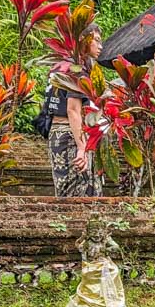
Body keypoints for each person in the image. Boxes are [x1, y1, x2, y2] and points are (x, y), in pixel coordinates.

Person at [47, 26, 104, 198]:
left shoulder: (61, 66)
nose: (101, 46)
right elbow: (73, 110)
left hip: (60, 132)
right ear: (85, 41)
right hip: (72, 134)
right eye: (97, 41)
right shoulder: (76, 70)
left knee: (73, 189)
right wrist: (81, 147)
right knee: (79, 191)